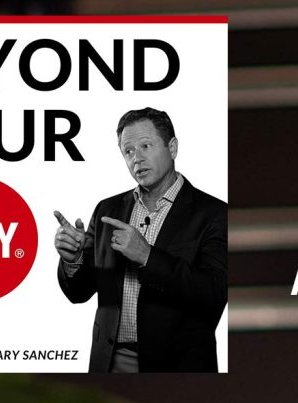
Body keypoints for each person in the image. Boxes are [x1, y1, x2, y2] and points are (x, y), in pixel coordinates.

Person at [53, 107, 226, 373]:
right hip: (109, 360)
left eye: (146, 146)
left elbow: (216, 291)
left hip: (177, 366)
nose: (137, 158)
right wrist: (73, 259)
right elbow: (79, 293)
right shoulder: (107, 210)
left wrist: (147, 256)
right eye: (128, 151)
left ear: (172, 147)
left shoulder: (214, 214)